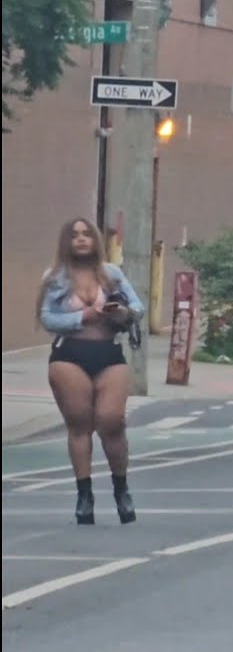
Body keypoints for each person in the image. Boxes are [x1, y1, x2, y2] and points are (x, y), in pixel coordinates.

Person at [36, 218, 144, 525]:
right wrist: (82, 316)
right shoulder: (55, 277)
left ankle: (121, 489)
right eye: (74, 235)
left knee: (112, 421)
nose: (81, 239)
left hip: (108, 353)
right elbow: (47, 318)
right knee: (79, 424)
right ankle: (85, 495)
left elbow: (138, 308)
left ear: (95, 240)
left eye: (86, 234)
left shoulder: (111, 274)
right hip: (69, 354)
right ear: (66, 242)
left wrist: (122, 312)